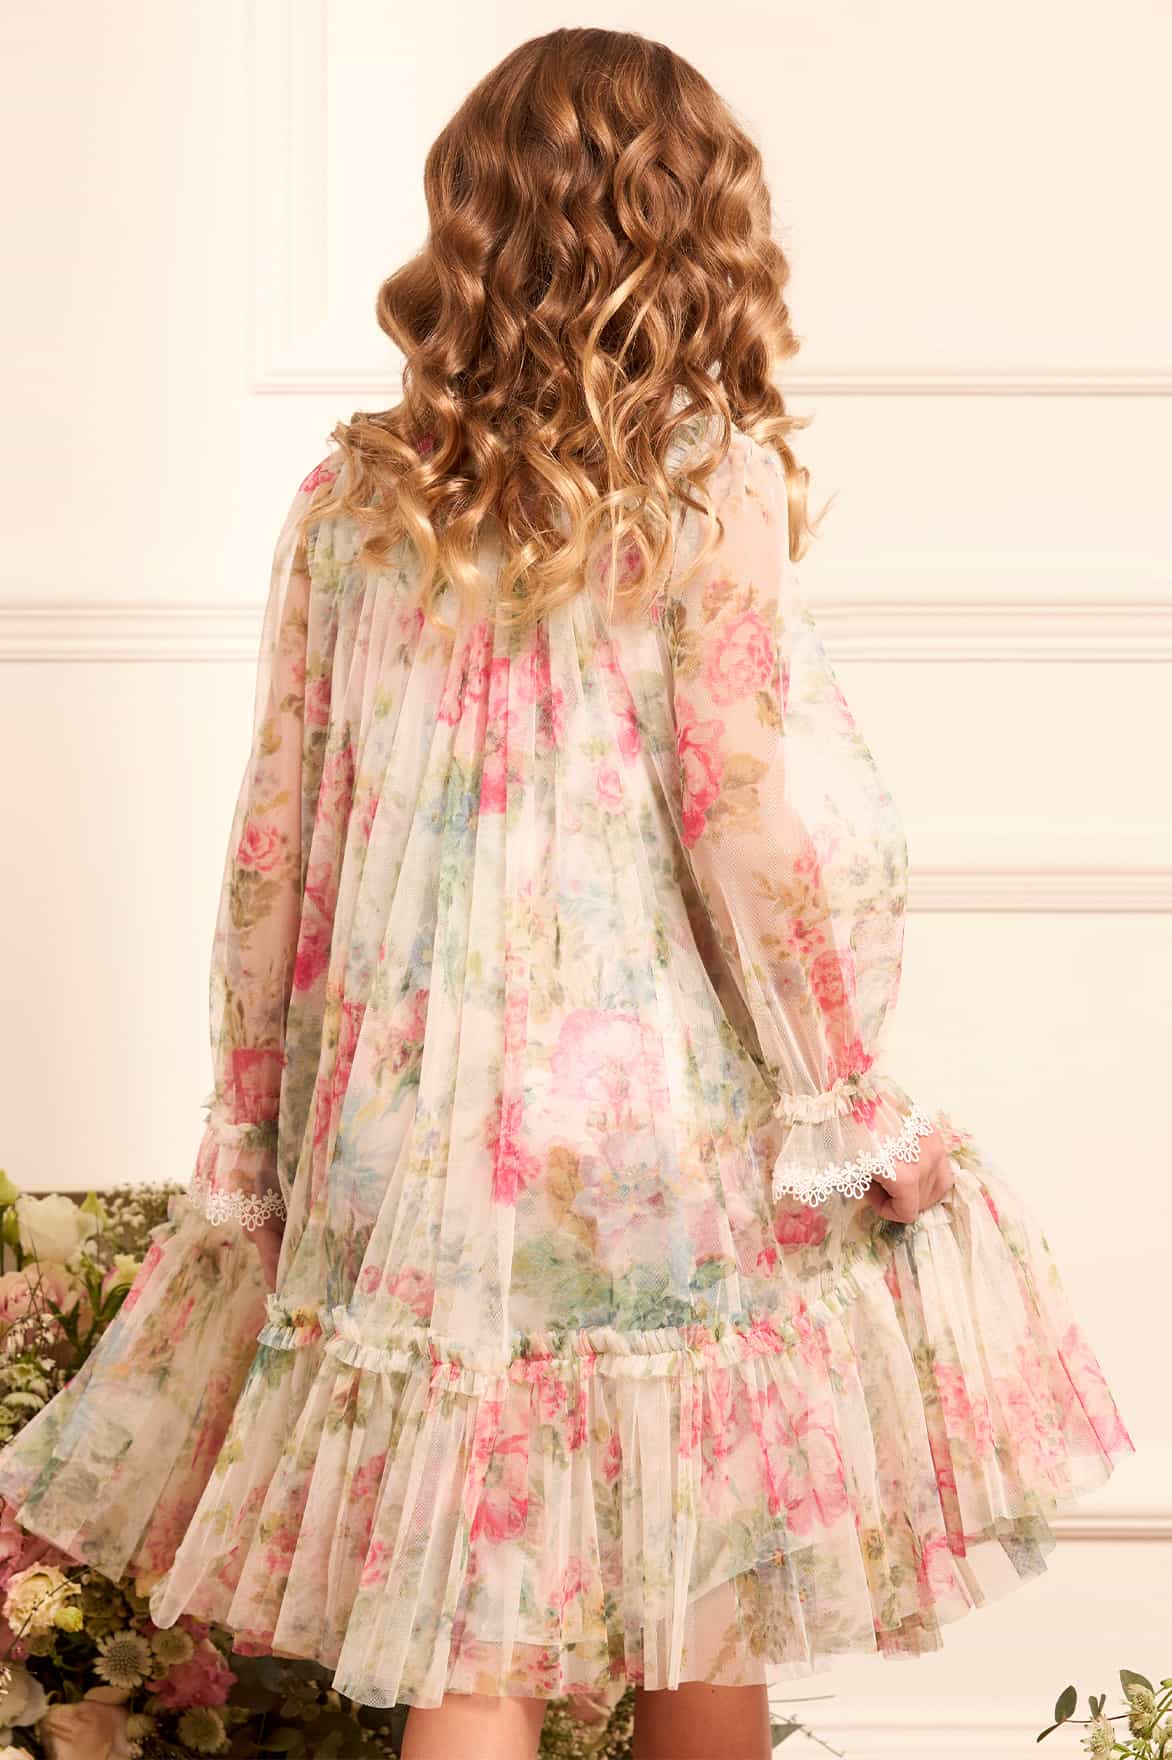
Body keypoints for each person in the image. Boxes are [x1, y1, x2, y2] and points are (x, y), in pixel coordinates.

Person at [0, 26, 1133, 1760]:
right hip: (648, 1125)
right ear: (691, 226)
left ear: (471, 222)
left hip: (403, 1142)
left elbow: (275, 844)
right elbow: (743, 817)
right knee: (706, 1581)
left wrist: (252, 1125)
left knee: (472, 1620)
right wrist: (841, 1086)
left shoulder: (350, 500)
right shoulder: (701, 482)